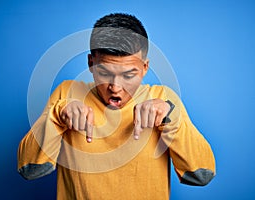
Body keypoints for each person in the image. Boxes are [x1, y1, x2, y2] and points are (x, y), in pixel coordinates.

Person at [18, 13, 215, 199]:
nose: (115, 87)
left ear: (144, 68)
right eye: (104, 73)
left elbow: (201, 175)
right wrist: (57, 116)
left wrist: (170, 118)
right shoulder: (67, 94)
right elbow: (30, 169)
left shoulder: (162, 98)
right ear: (90, 62)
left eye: (128, 75)